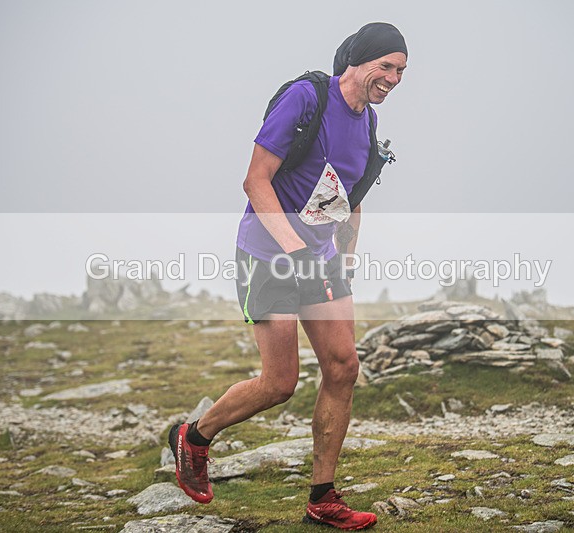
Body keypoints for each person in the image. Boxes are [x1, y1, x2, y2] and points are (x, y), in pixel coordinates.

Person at [169, 22, 407, 530]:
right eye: (385, 66)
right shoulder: (307, 98)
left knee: (343, 367)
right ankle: (195, 437)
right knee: (279, 382)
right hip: (266, 252)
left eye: (401, 70)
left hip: (319, 257)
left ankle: (323, 497)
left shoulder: (366, 122)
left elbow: (351, 196)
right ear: (357, 62)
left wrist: (346, 254)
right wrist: (294, 247)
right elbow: (255, 179)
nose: (393, 78)